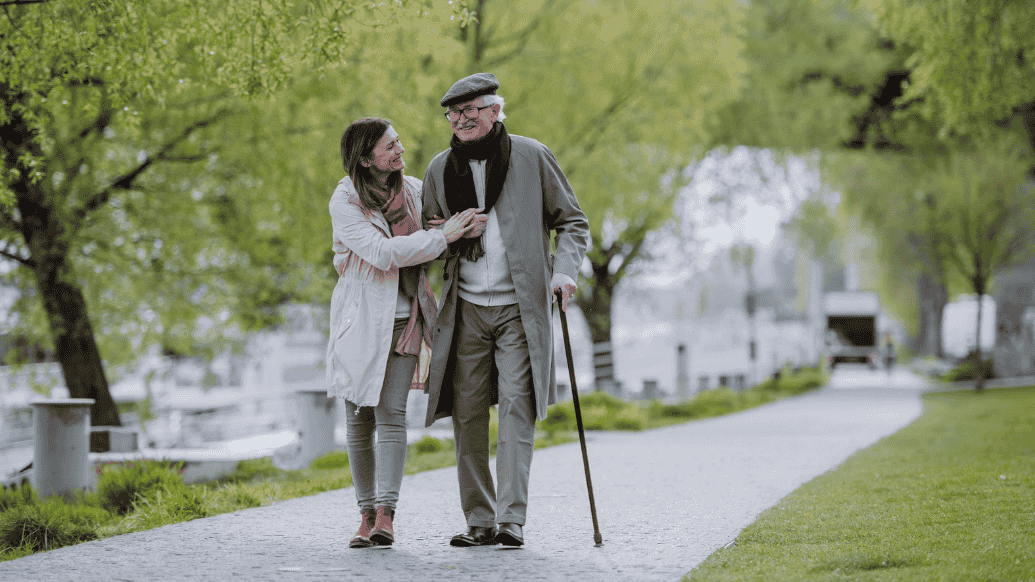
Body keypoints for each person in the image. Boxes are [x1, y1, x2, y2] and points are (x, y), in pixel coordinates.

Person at [422, 73, 590, 547]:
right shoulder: (439, 169)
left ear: (495, 111)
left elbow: (572, 221)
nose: (460, 120)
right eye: (453, 114)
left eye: (470, 111)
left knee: (518, 406)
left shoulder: (531, 156)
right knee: (468, 414)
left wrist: (564, 271)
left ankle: (510, 519)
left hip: (520, 307)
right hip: (466, 308)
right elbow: (429, 238)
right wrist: (449, 233)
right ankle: (479, 519)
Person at [325, 117, 479, 549]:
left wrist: (453, 230)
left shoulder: (413, 190)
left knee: (391, 413)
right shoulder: (345, 200)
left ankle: (386, 516)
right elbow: (381, 253)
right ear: (365, 159)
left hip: (406, 318)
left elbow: (436, 234)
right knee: (359, 419)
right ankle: (364, 515)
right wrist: (440, 236)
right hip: (360, 322)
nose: (400, 149)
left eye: (398, 141)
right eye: (390, 146)